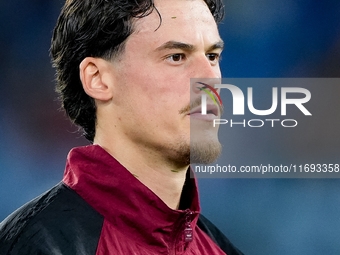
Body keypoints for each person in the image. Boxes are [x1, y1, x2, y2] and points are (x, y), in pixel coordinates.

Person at [0, 0, 244, 254]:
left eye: (212, 56)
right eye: (176, 56)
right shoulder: (36, 245)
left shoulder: (223, 249)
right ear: (98, 79)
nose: (210, 78)